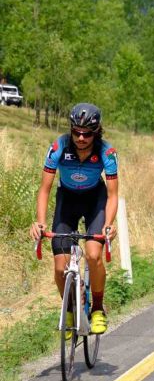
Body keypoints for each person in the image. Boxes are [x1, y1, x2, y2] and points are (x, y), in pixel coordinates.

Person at [30, 103, 118, 336]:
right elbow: (44, 189)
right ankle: (69, 308)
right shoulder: (58, 147)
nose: (80, 137)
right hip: (67, 199)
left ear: (96, 132)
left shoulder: (107, 152)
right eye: (76, 131)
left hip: (94, 200)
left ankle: (98, 308)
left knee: (93, 254)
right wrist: (40, 222)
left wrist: (109, 224)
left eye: (87, 133)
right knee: (60, 267)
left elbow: (113, 194)